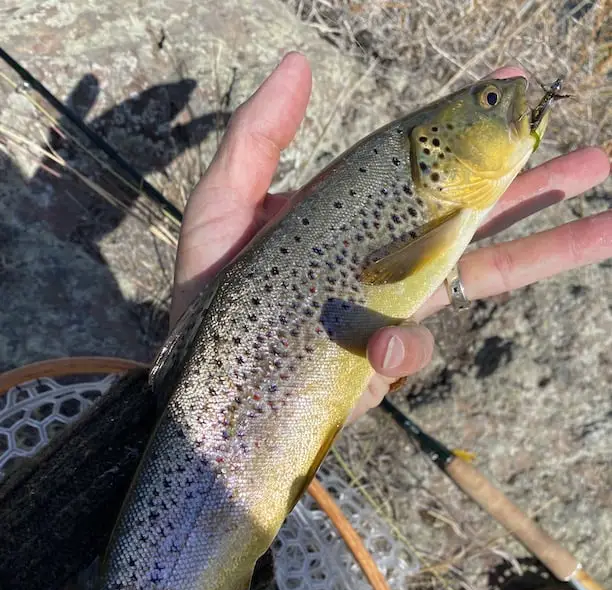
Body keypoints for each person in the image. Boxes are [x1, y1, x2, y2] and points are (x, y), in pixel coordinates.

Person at [173, 53, 611, 422]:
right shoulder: (431, 198)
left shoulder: (445, 206)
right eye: (491, 100)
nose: (506, 100)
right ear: (430, 147)